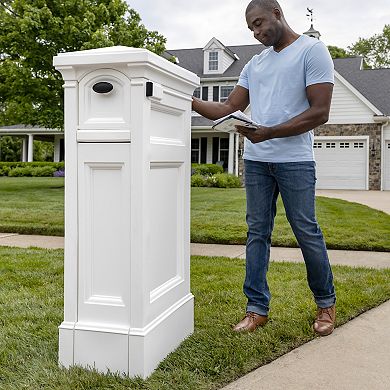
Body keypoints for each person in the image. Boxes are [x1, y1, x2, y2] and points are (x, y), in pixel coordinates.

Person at [192, 0, 336, 336]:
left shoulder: (312, 51)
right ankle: (256, 309)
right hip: (256, 162)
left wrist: (269, 132)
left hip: (295, 162)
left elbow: (320, 112)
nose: (256, 33)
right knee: (257, 233)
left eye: (259, 24)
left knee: (306, 231)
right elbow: (228, 107)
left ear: (276, 13)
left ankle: (325, 304)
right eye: (251, 29)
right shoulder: (254, 66)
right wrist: (187, 98)